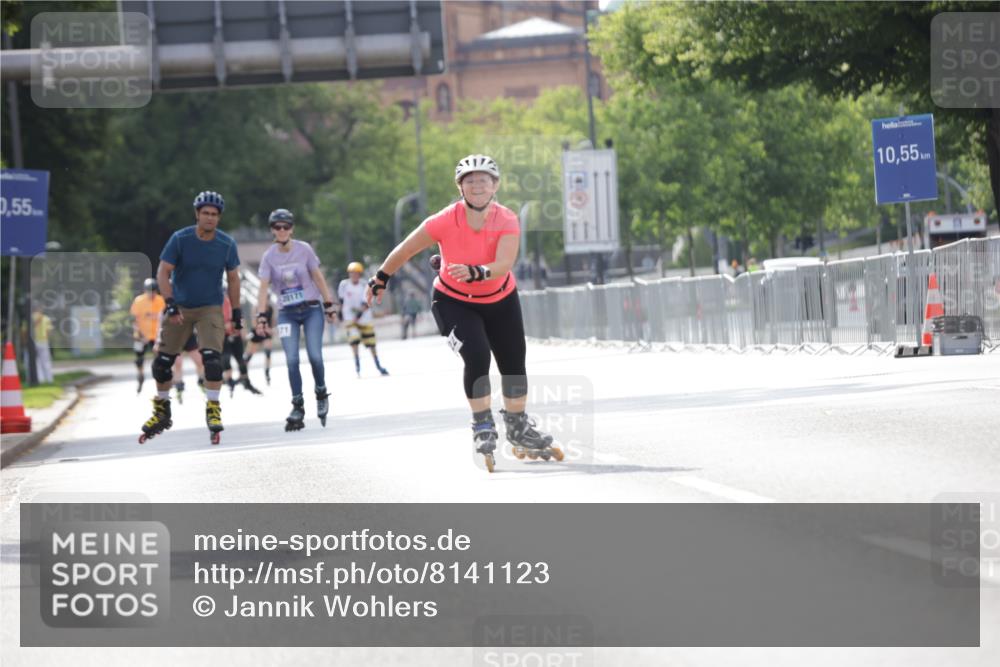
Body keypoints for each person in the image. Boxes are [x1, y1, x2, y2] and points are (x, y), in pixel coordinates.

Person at [365, 154, 561, 472]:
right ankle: (482, 423)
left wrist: (477, 271)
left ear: (495, 186)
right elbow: (406, 248)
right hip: (453, 301)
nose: (477, 186)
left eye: (484, 180)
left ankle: (517, 425)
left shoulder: (507, 219)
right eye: (470, 181)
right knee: (478, 356)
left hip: (500, 299)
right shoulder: (444, 219)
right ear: (460, 187)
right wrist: (381, 277)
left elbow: (504, 263)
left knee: (513, 363)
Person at [140, 190, 241, 445]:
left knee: (212, 360)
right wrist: (170, 303)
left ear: (219, 218)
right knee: (162, 364)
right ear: (197, 214)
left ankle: (213, 408)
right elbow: (163, 272)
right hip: (180, 306)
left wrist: (237, 312)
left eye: (214, 215)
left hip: (210, 307)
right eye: (205, 213)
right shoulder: (180, 239)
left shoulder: (226, 243)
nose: (209, 218)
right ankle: (162, 410)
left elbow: (233, 278)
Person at [255, 208, 337, 431]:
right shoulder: (269, 257)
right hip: (286, 314)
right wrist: (261, 316)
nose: (281, 231)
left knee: (315, 356)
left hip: (311, 309)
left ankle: (321, 392)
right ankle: (298, 404)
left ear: (292, 229)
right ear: (272, 230)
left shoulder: (304, 250)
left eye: (286, 227)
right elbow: (263, 289)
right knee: (291, 359)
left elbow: (318, 277)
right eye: (277, 227)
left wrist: (329, 305)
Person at [339, 262, 390, 377]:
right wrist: (339, 315)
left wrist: (358, 316)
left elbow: (366, 303)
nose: (354, 275)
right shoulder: (344, 285)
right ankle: (357, 366)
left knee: (371, 343)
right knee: (354, 340)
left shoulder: (364, 284)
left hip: (364, 317)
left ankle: (378, 365)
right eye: (352, 273)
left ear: (359, 274)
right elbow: (341, 300)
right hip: (349, 318)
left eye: (356, 273)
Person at [130, 278, 166, 394]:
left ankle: (161, 378)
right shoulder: (139, 301)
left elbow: (165, 319)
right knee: (139, 358)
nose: (152, 294)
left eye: (154, 291)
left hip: (156, 336)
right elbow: (133, 320)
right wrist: (140, 335)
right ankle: (140, 375)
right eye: (150, 291)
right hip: (142, 335)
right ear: (145, 291)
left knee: (160, 358)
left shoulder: (161, 301)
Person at [244, 302, 275, 385]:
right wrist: (258, 330)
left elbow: (272, 321)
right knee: (248, 356)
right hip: (257, 332)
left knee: (268, 352)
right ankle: (243, 374)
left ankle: (267, 372)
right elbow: (254, 322)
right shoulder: (256, 307)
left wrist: (270, 330)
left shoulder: (270, 308)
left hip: (266, 331)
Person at [171, 333, 204, 404]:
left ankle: (202, 382)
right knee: (178, 363)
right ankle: (179, 387)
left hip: (188, 333)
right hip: (175, 334)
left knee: (199, 361)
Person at [31, 305, 55, 384]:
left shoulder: (30, 318)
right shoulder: (46, 318)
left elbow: (24, 331)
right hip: (43, 341)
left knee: (36, 362)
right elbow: (49, 331)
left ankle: (39, 379)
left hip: (33, 341)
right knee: (46, 361)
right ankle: (49, 379)